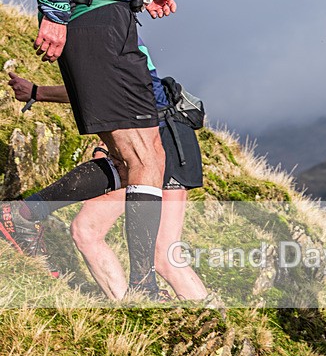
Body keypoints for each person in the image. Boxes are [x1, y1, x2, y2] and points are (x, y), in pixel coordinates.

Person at [0, 0, 177, 299]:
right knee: (146, 157)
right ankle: (143, 289)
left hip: (104, 15)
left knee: (131, 162)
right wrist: (55, 7)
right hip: (95, 15)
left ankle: (24, 213)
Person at [7, 68, 208, 301]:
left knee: (163, 254)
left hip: (162, 139)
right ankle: (133, 309)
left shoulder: (106, 36)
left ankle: (211, 323)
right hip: (148, 138)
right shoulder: (107, 39)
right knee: (86, 230)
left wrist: (38, 92)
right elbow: (101, 93)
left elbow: (98, 92)